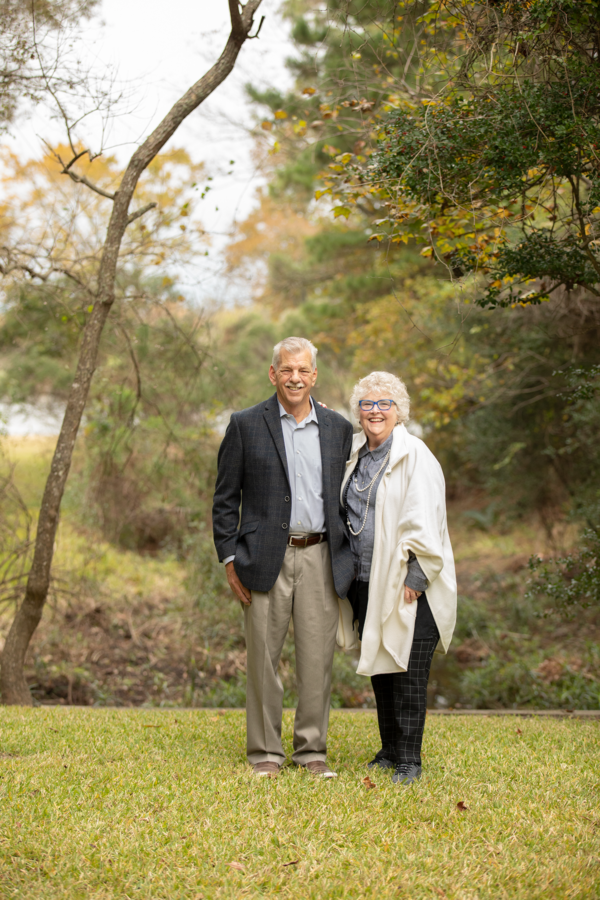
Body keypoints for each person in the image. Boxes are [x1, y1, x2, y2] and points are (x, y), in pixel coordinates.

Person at [212, 337, 354, 778]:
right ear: (273, 373)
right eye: (287, 370)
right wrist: (228, 558)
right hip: (262, 557)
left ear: (314, 376)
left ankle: (312, 751)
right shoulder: (244, 424)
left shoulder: (338, 428)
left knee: (317, 659)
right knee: (263, 661)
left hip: (321, 556)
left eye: (304, 371)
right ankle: (265, 754)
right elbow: (224, 500)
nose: (295, 378)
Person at [337, 371, 457, 786]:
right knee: (382, 669)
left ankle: (410, 760)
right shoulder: (355, 454)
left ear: (399, 410)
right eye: (367, 403)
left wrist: (418, 576)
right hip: (367, 581)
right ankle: (388, 752)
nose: (375, 411)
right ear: (358, 410)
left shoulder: (415, 455)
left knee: (408, 673)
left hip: (408, 583)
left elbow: (429, 521)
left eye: (384, 403)